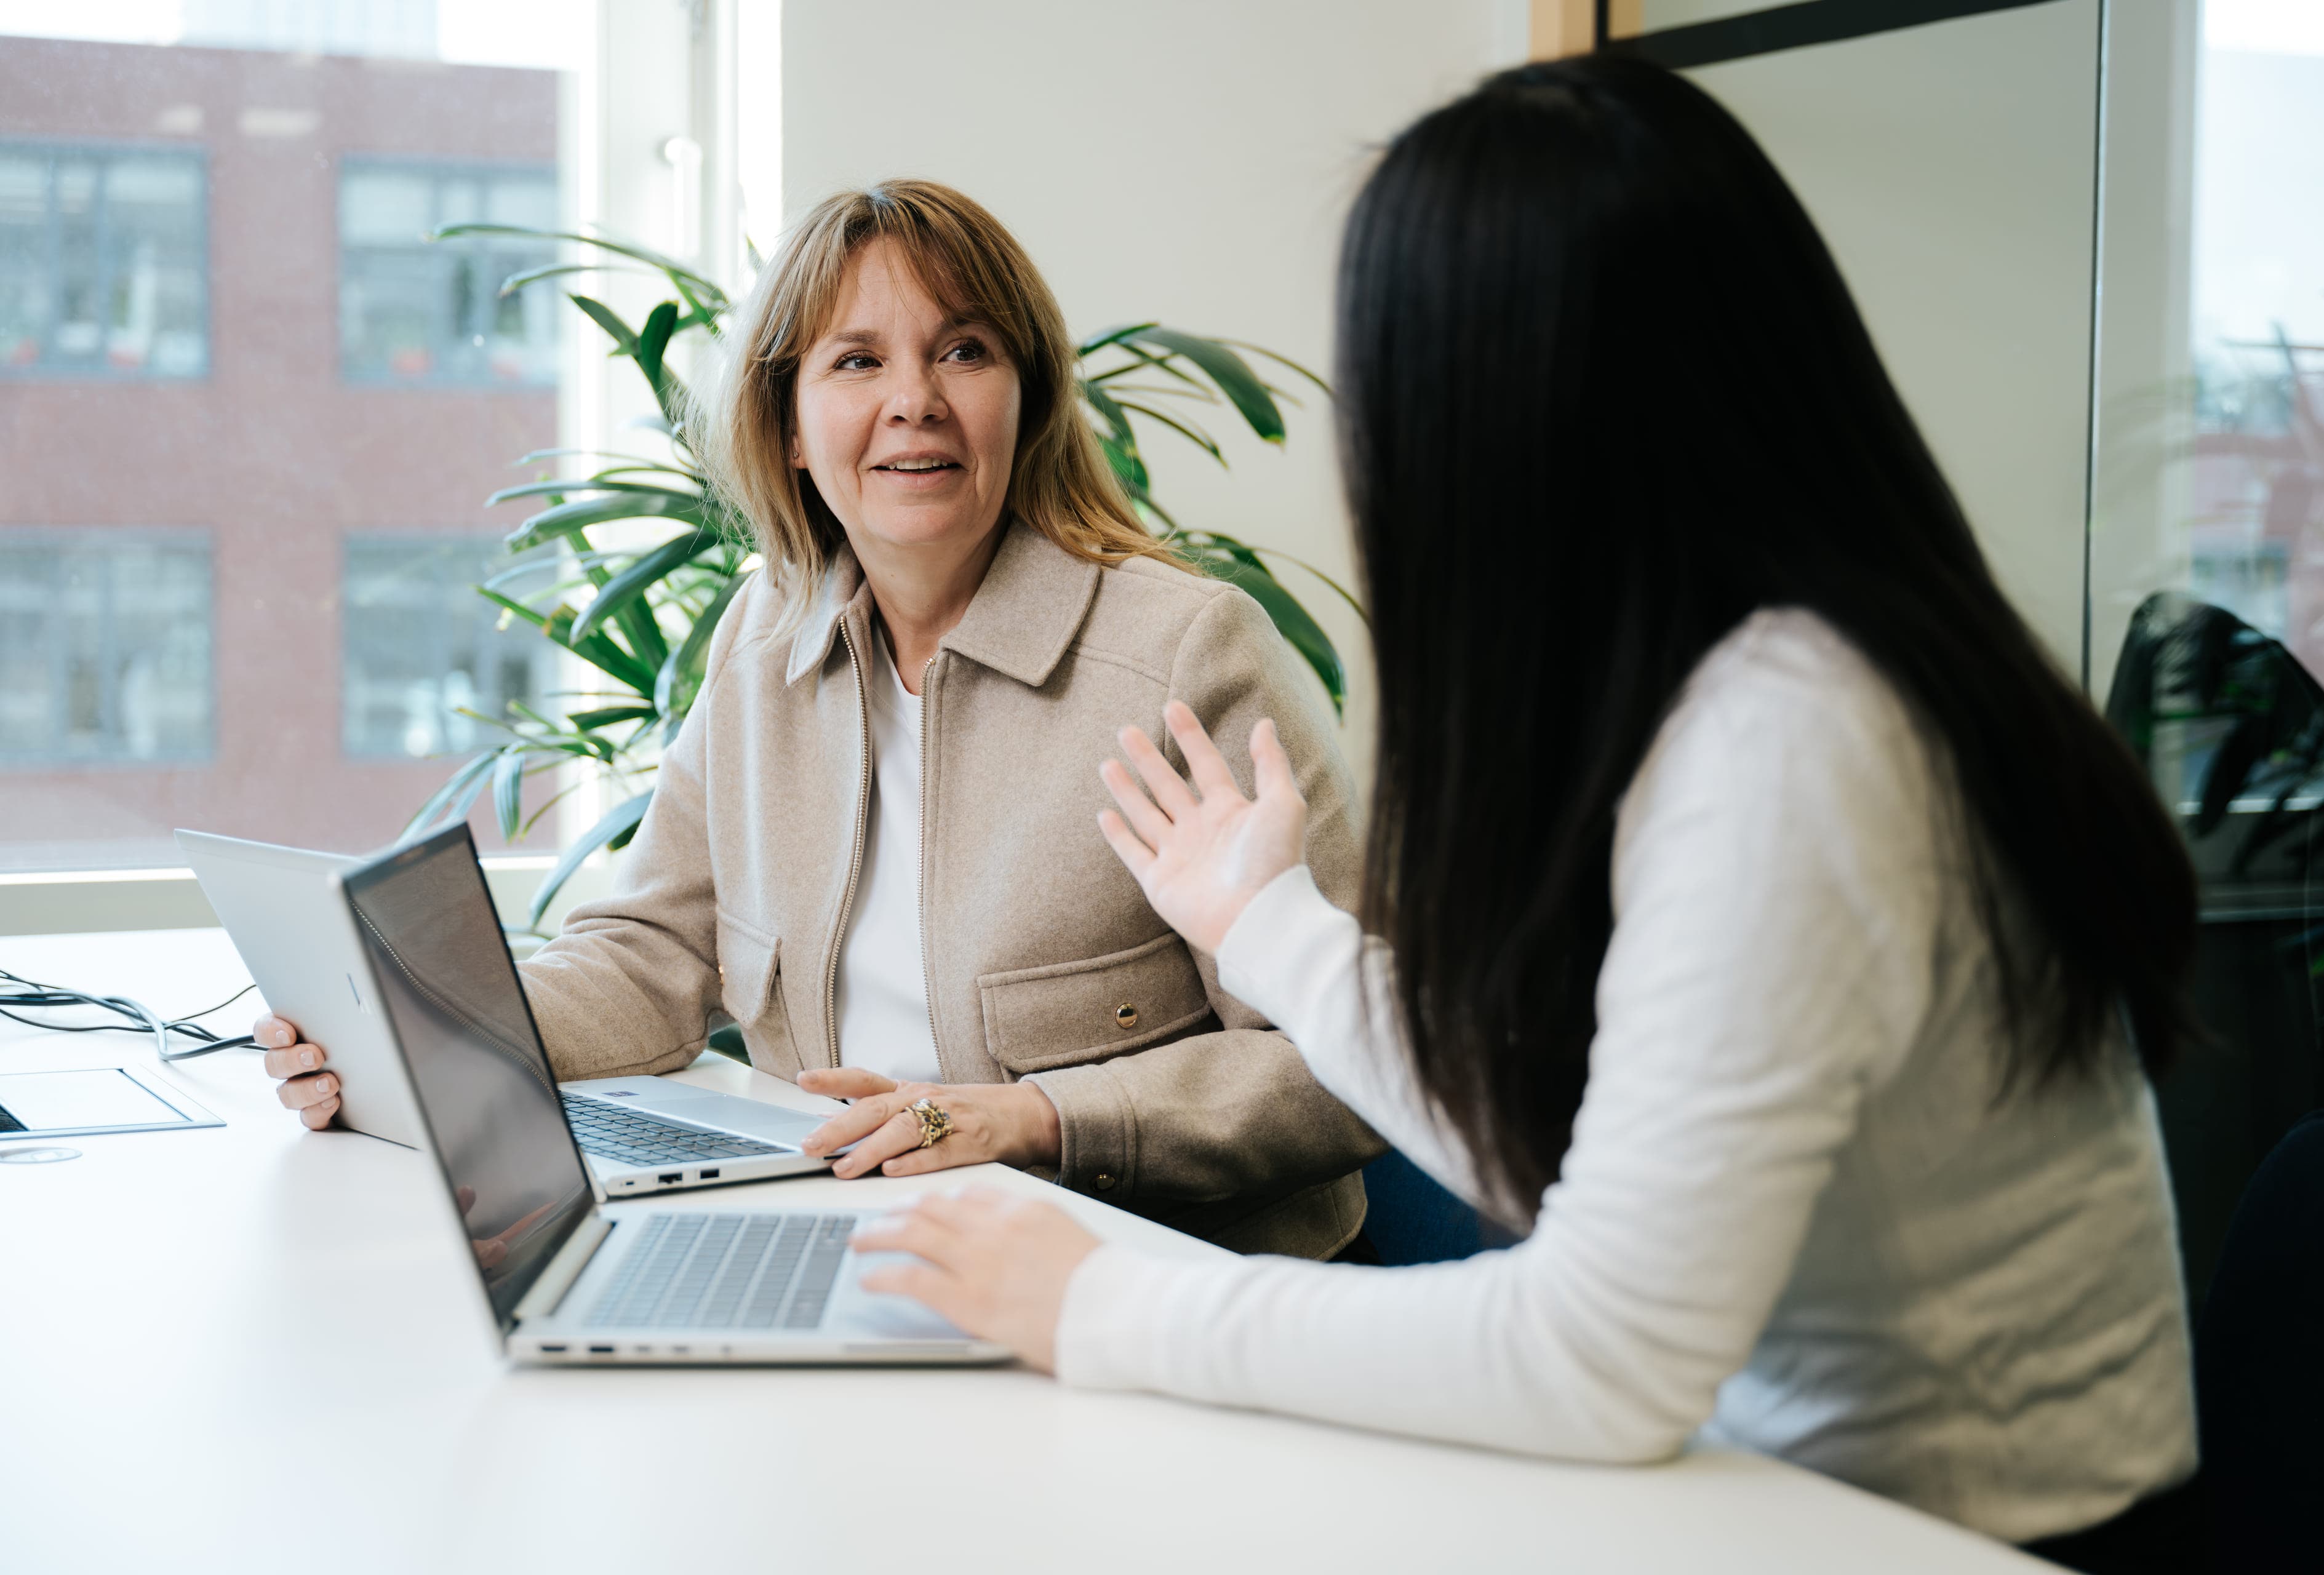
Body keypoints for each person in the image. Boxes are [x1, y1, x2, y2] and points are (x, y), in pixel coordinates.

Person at [847, 57, 2205, 1563]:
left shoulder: (1798, 739)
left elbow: (1597, 1354)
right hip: (1767, 1495)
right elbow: (1545, 1132)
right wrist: (1266, 925)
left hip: (1960, 1534)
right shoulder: (1734, 682)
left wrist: (1097, 1298)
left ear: (1505, 413)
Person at [256, 179, 1383, 1259]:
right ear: (790, 427)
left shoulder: (1185, 654)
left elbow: (1345, 1061)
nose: (915, 400)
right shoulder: (766, 634)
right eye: (856, 361)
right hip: (856, 1238)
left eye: (965, 351)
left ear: (1024, 399)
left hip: (1154, 1288)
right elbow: (653, 954)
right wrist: (426, 1039)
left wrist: (1031, 1116)